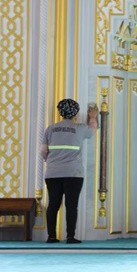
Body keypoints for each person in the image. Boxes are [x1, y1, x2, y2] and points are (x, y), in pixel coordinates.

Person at [40, 99, 98, 244]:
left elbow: (43, 150)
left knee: (53, 204)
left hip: (53, 173)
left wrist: (50, 161)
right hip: (73, 174)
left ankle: (51, 236)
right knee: (71, 205)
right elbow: (92, 131)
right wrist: (92, 117)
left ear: (60, 112)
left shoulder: (51, 128)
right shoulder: (80, 128)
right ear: (76, 113)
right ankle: (70, 236)